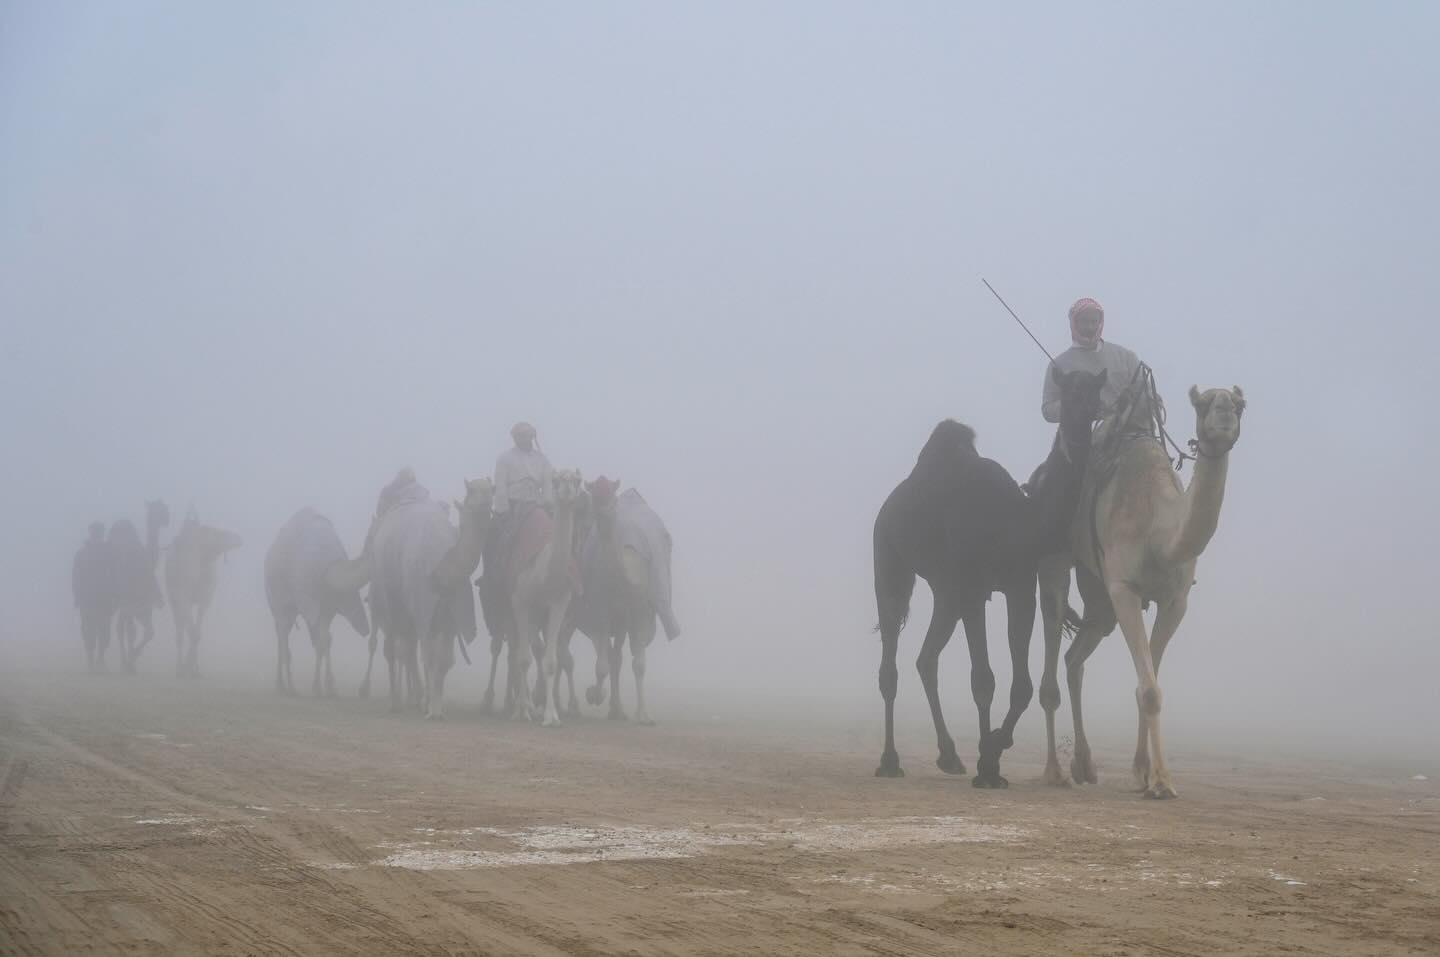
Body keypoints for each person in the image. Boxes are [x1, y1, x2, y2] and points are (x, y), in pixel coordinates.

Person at [480, 422, 555, 632]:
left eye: (528, 436)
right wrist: (502, 510)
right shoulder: (505, 458)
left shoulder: (542, 460)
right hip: (512, 507)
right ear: (515, 438)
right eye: (521, 436)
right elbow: (501, 485)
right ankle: (491, 577)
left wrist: (548, 503)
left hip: (538, 506)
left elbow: (548, 483)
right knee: (493, 539)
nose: (525, 439)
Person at [1041, 297, 1142, 423]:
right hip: (1081, 435)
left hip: (1128, 431)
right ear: (1074, 323)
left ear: (1100, 322)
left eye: (1094, 321)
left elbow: (1146, 394)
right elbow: (1048, 410)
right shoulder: (1058, 364)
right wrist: (1073, 403)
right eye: (1084, 321)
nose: (1089, 327)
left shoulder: (1126, 357)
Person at [72, 521, 117, 671]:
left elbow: (115, 575)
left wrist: (114, 596)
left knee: (104, 630)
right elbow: (76, 576)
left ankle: (100, 657)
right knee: (88, 630)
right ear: (92, 534)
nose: (97, 535)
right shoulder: (82, 554)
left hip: (104, 598)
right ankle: (92, 659)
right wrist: (77, 595)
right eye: (96, 532)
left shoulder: (109, 553)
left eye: (99, 532)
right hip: (88, 598)